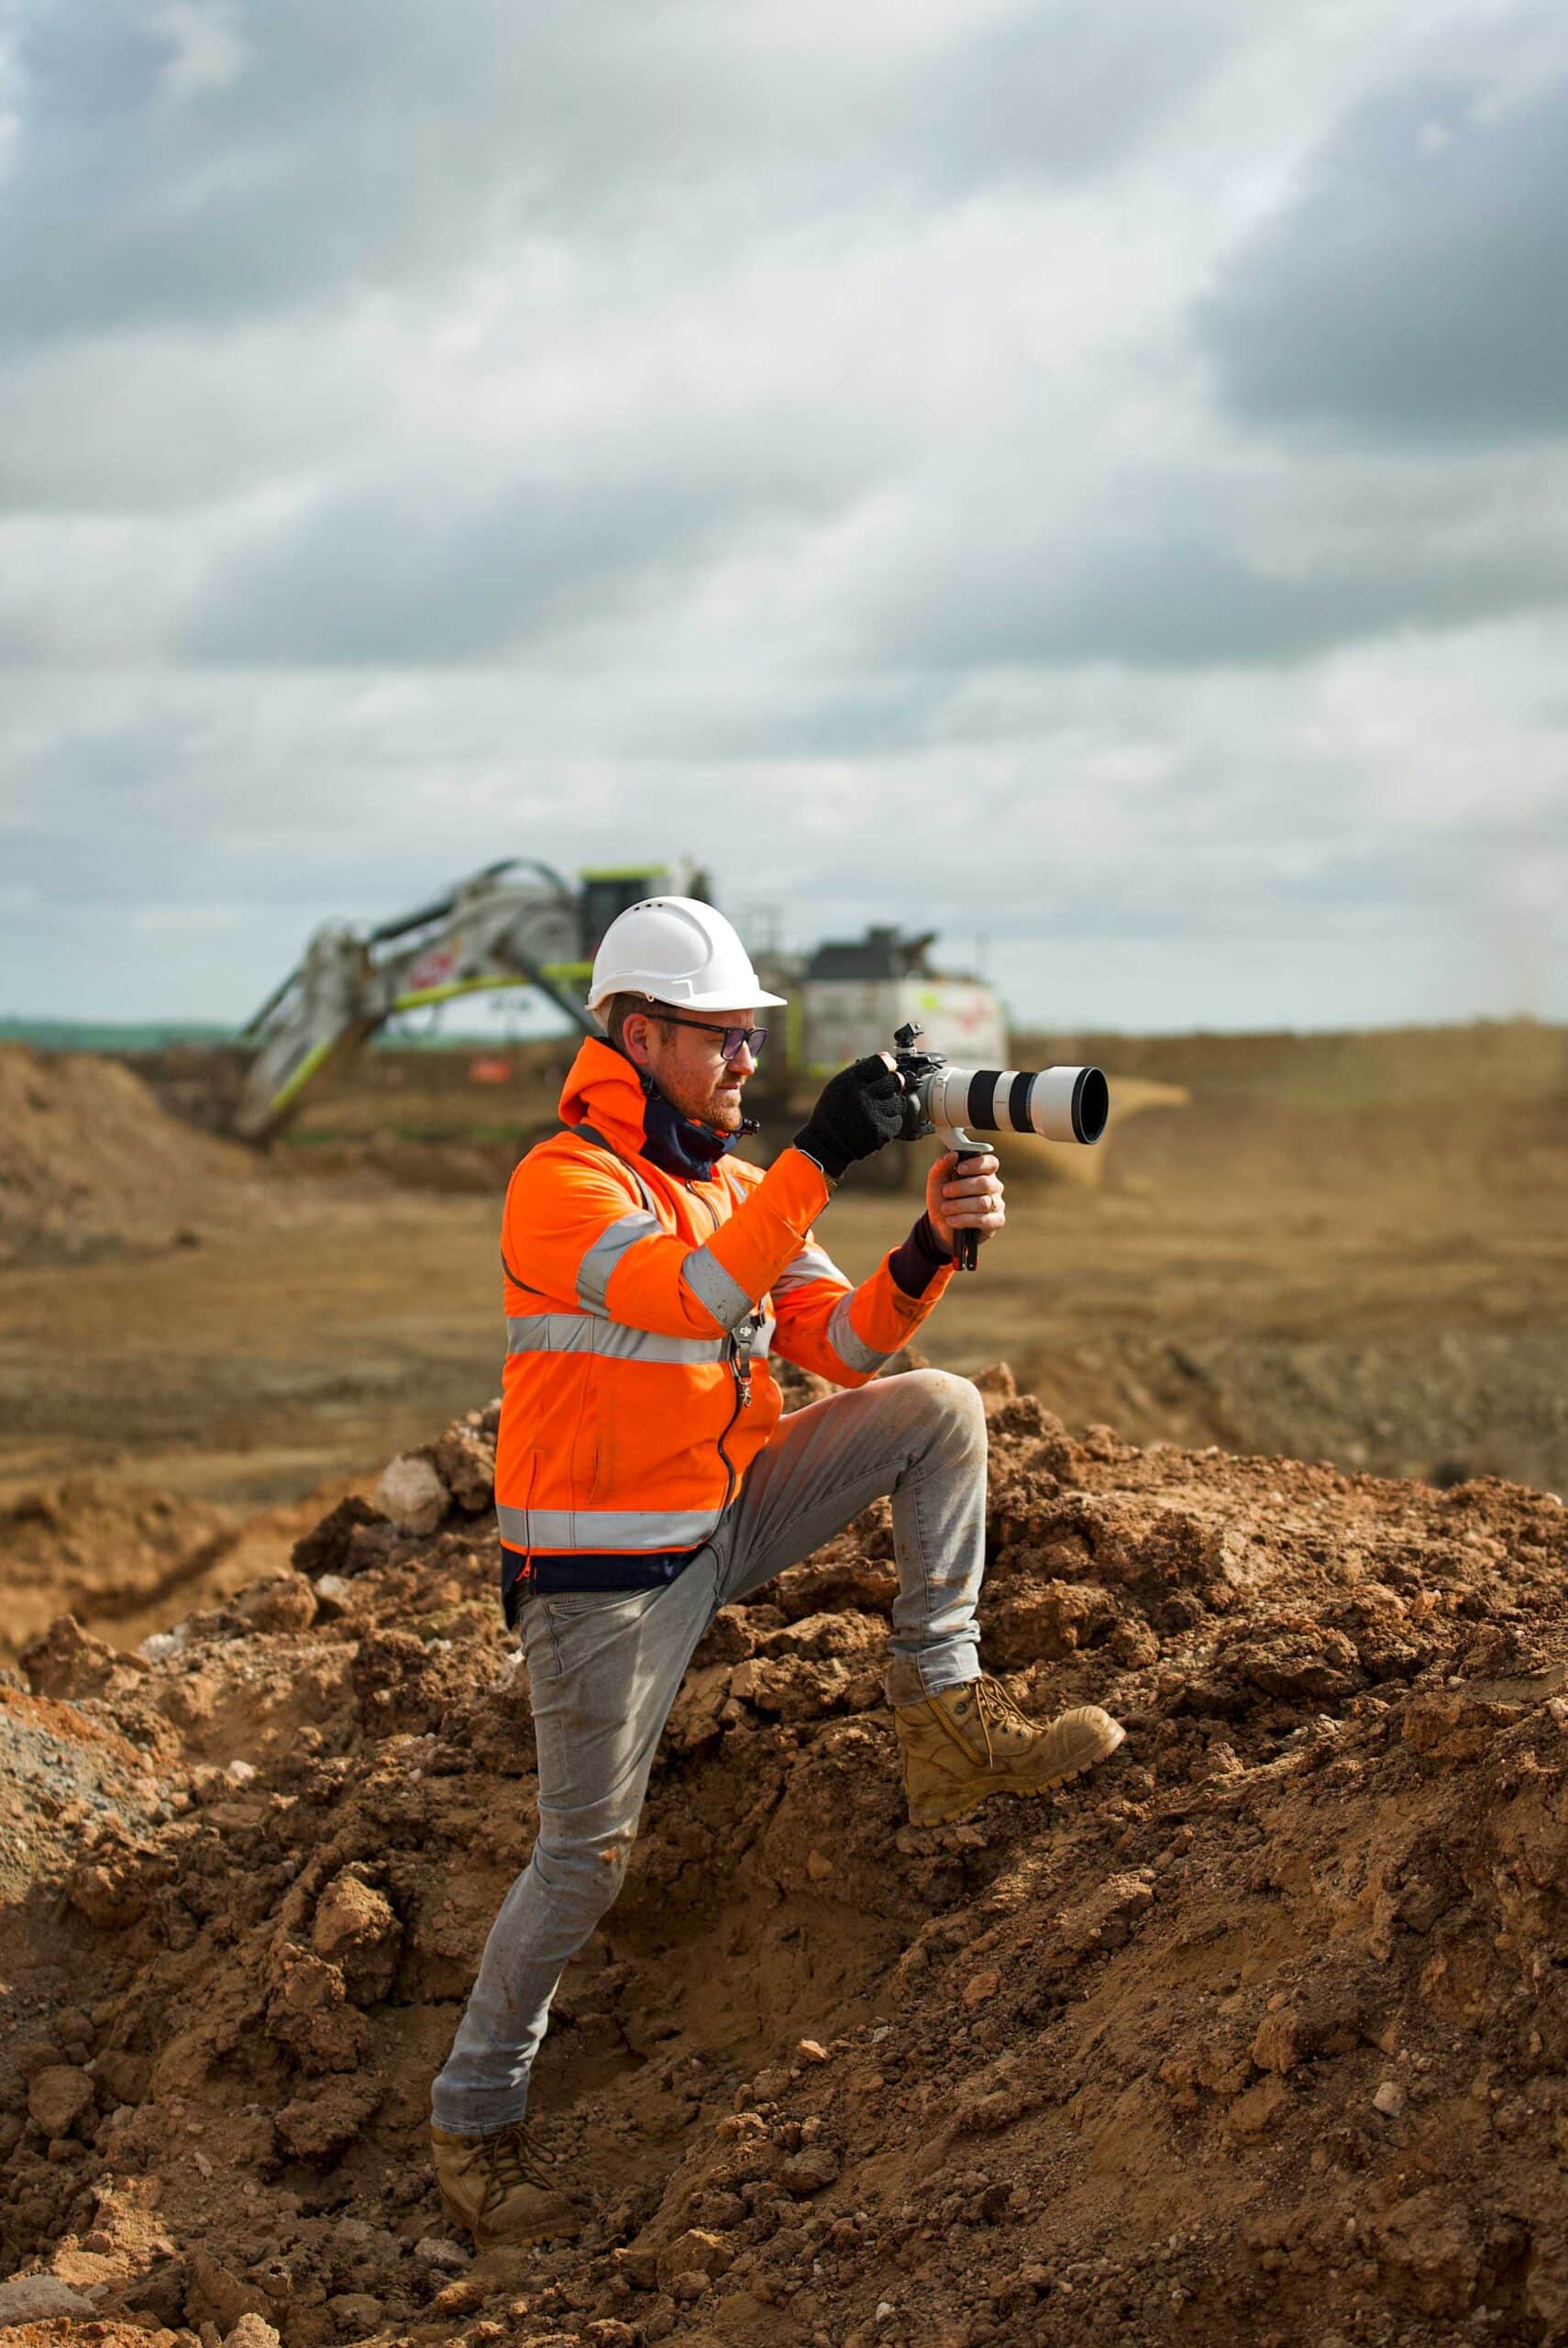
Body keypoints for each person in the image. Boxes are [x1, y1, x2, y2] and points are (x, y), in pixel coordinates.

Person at [429, 897, 1123, 2243]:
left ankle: (945, 1722)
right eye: (722, 1036)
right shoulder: (560, 1184)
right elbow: (690, 1297)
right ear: (637, 1033)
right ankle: (474, 2120)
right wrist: (820, 1153)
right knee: (582, 1863)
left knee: (935, 1409)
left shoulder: (736, 1184)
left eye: (755, 1037)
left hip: (720, 1514)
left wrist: (923, 1249)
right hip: (601, 1581)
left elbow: (844, 1352)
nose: (746, 1058)